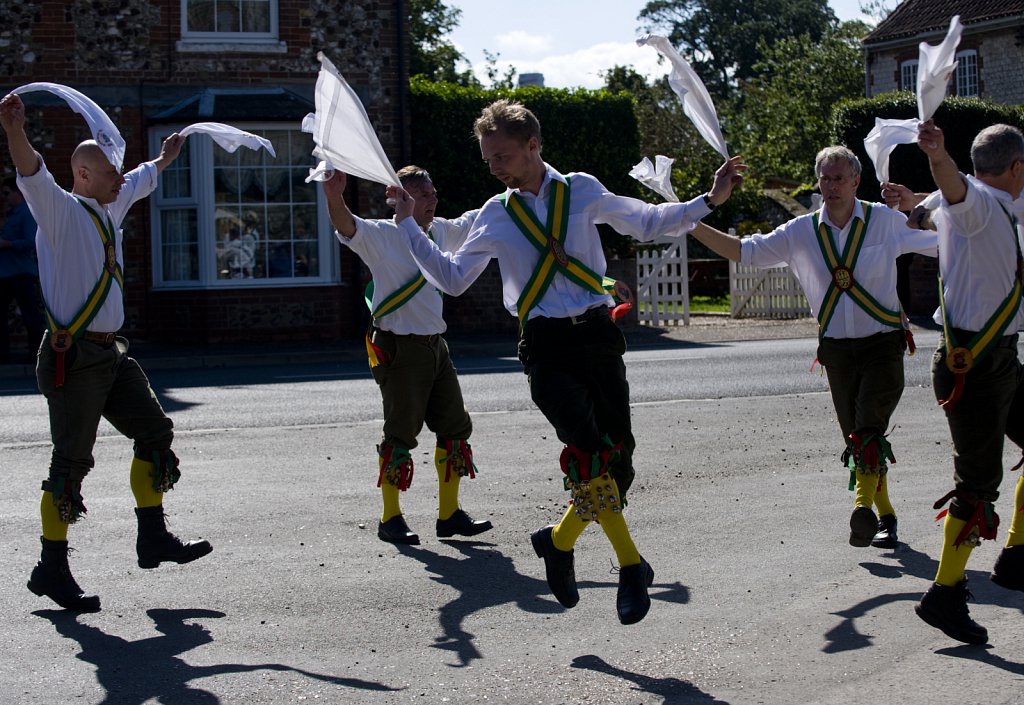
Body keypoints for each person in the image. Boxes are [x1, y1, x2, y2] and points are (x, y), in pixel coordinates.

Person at [395, 99, 745, 624]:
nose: (493, 166)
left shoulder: (580, 189)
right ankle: (631, 565)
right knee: (590, 454)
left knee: (619, 459)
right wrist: (407, 226)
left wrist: (710, 199)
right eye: (488, 157)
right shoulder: (496, 213)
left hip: (598, 337)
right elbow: (451, 279)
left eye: (502, 156)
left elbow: (647, 220)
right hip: (545, 345)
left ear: (534, 147)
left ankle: (559, 542)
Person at [0, 92, 212, 613]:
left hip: (111, 355)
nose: (121, 179)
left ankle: (153, 537)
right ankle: (52, 567)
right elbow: (32, 171)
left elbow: (139, 177)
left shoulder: (109, 202)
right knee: (70, 463)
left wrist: (163, 159)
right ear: (85, 175)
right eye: (109, 172)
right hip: (72, 357)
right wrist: (13, 129)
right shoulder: (58, 210)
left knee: (155, 432)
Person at [688, 146, 937, 550]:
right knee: (859, 437)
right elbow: (742, 251)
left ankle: (862, 509)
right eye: (825, 178)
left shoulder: (884, 221)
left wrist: (923, 203)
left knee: (869, 428)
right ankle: (885, 516)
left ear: (857, 181)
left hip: (883, 344)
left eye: (840, 178)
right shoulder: (800, 231)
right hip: (836, 350)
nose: (832, 186)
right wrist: (690, 221)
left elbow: (941, 242)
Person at [322, 165, 492, 546]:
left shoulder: (441, 231)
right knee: (400, 434)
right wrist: (334, 194)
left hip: (436, 345)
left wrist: (519, 183)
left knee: (454, 429)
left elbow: (479, 218)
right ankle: (390, 518)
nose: (434, 200)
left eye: (433, 193)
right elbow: (346, 224)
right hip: (399, 347)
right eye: (424, 195)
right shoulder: (382, 235)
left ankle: (449, 515)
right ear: (400, 199)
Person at [907, 121, 1024, 645]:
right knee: (978, 487)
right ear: (1017, 168)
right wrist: (937, 155)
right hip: (971, 364)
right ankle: (945, 593)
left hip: (1001, 357)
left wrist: (916, 199)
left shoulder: (1000, 204)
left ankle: (1017, 555)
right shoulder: (975, 202)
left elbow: (934, 203)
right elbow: (955, 190)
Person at [0, 175, 45, 362]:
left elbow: (31, 241)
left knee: (30, 314)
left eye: (7, 193)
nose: (5, 197)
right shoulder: (9, 214)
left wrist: (8, 244)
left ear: (18, 192)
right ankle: (3, 354)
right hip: (5, 273)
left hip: (22, 272)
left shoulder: (26, 212)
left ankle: (37, 353)